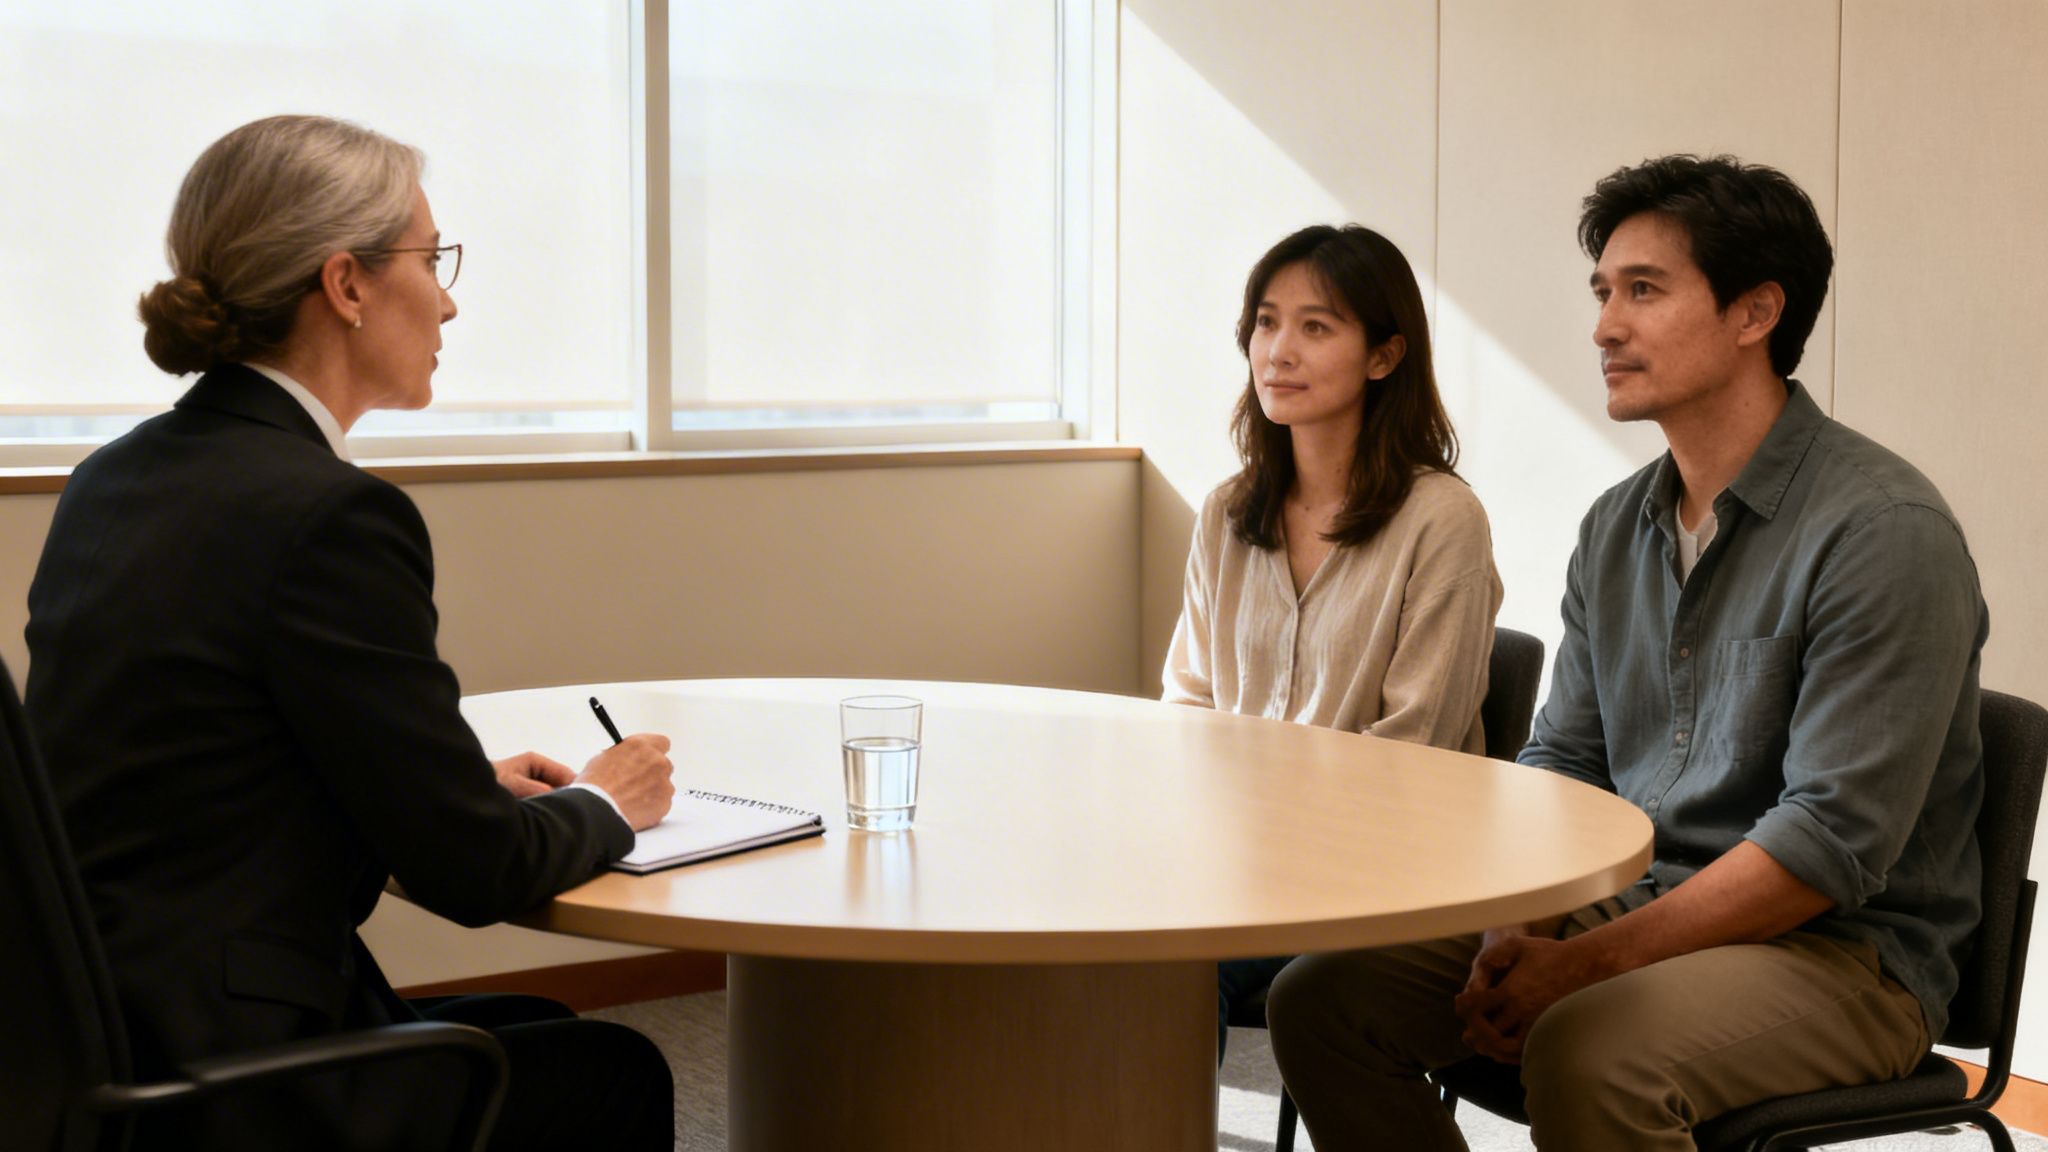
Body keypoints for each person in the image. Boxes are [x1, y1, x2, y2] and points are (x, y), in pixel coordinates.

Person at [1265, 155, 1989, 1149]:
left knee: (1586, 1047)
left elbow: (1823, 846)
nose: (1603, 325)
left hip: (1839, 955)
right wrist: (1512, 930)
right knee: (1324, 1001)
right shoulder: (1615, 527)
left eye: (1642, 290)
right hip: (1622, 905)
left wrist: (1584, 963)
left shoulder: (1881, 530)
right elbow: (1560, 763)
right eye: (1602, 292)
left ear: (1753, 313)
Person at [24, 115, 679, 1150]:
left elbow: (191, 773)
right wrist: (608, 800)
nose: (450, 298)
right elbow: (476, 879)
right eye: (431, 259)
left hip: (102, 1045)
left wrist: (442, 791)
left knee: (539, 1031)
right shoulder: (329, 515)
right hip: (236, 1086)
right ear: (347, 284)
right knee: (612, 1071)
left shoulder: (115, 477)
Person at [1162, 224, 1502, 1056]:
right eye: (1266, 322)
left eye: (1316, 327)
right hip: (1239, 865)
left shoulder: (1441, 519)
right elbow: (1189, 704)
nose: (1278, 350)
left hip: (1377, 878)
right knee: (1069, 931)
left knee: (1166, 969)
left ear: (1383, 357)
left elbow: (1413, 754)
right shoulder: (1228, 510)